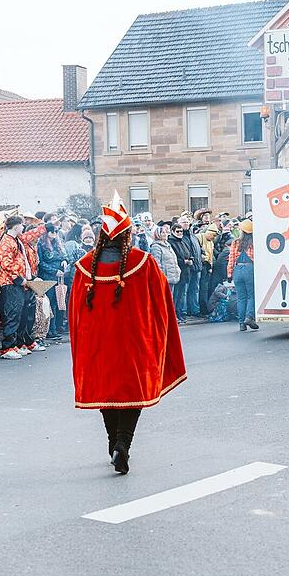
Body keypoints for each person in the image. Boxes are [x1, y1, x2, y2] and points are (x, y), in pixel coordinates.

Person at [69, 193, 186, 474]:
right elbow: (162, 305)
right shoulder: (144, 262)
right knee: (131, 393)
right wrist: (161, 337)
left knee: (105, 392)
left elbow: (73, 313)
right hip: (133, 343)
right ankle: (122, 443)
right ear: (127, 236)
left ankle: (113, 442)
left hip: (97, 344)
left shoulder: (85, 267)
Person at [0, 216, 45, 360]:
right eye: (22, 225)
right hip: (11, 283)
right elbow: (6, 265)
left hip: (21, 282)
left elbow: (30, 235)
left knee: (22, 315)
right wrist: (20, 279)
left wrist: (44, 228)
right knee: (13, 315)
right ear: (16, 226)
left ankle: (17, 344)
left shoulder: (17, 240)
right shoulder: (5, 242)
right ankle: (7, 347)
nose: (23, 228)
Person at [37, 224, 69, 339]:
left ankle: (53, 329)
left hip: (58, 278)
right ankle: (49, 330)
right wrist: (54, 271)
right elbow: (40, 263)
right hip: (47, 277)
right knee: (48, 304)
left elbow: (65, 256)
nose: (54, 233)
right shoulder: (41, 244)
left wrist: (65, 260)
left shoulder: (57, 244)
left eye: (56, 231)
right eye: (52, 231)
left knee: (56, 303)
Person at [226, 220, 258, 331]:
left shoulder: (235, 242)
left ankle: (241, 324)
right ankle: (249, 317)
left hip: (238, 270)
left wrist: (229, 273)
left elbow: (231, 259)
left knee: (241, 298)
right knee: (251, 295)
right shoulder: (254, 242)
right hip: (249, 268)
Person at [148, 225, 181, 298]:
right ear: (158, 234)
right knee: (165, 298)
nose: (165, 234)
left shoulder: (168, 246)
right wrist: (161, 276)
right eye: (163, 232)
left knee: (171, 297)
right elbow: (156, 264)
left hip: (172, 276)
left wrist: (178, 270)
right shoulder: (156, 247)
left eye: (165, 232)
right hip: (164, 278)